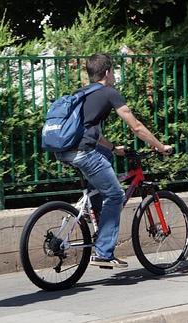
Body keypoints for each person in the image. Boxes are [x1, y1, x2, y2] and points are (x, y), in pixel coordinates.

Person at [55, 53, 172, 268]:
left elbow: (88, 130)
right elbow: (136, 127)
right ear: (107, 73)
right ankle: (103, 251)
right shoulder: (109, 93)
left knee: (105, 159)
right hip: (83, 152)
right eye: (114, 71)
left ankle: (97, 216)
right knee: (116, 194)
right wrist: (159, 146)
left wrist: (112, 148)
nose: (115, 76)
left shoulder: (82, 93)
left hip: (65, 150)